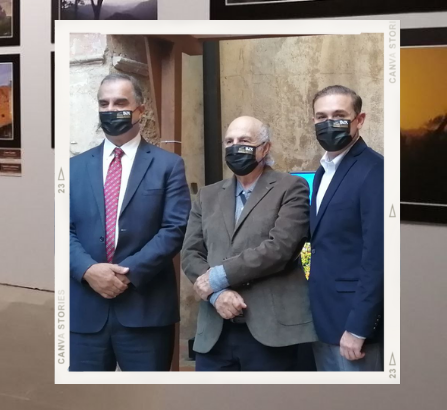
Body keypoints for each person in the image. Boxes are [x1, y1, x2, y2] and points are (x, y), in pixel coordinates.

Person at [69, 73, 191, 371]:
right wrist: (87, 270)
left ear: (141, 109)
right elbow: (61, 227)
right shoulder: (74, 167)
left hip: (145, 309)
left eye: (121, 103)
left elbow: (174, 229)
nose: (111, 110)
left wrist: (126, 273)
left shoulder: (168, 165)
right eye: (104, 103)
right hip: (84, 310)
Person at [181, 116, 316, 371]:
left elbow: (280, 248)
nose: (235, 147)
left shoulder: (291, 187)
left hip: (272, 331)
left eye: (244, 141)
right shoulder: (207, 196)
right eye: (229, 142)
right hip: (215, 331)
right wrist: (217, 294)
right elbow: (191, 253)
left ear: (265, 148)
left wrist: (218, 277)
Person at [308, 85, 384, 371]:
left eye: (339, 115)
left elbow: (377, 256)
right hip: (322, 320)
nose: (328, 123)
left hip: (353, 330)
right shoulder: (322, 171)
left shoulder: (375, 171)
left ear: (359, 120)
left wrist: (358, 328)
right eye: (321, 116)